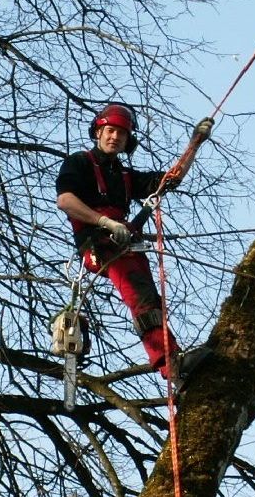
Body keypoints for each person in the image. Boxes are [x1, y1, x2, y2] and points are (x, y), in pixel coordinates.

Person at [56, 102, 212, 387]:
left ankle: (174, 366)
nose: (115, 137)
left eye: (121, 134)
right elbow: (66, 201)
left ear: (128, 140)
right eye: (110, 131)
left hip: (124, 244)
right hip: (98, 245)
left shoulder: (125, 176)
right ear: (98, 132)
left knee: (150, 300)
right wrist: (106, 222)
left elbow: (169, 180)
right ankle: (169, 364)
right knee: (140, 295)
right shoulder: (79, 162)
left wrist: (195, 143)